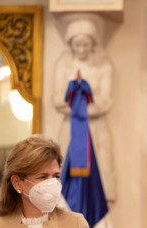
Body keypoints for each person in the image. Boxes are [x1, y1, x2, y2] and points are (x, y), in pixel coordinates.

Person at [52, 16, 116, 202]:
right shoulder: (63, 65)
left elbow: (104, 102)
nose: (81, 49)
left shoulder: (103, 65)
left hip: (97, 128)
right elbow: (57, 99)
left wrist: (75, 103)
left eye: (85, 45)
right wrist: (84, 101)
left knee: (102, 170)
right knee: (65, 171)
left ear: (93, 44)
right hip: (70, 127)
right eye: (77, 45)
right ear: (71, 44)